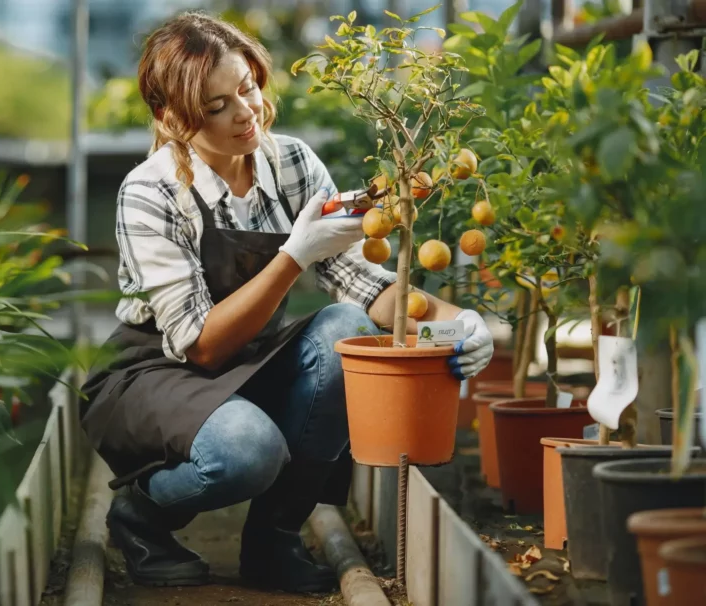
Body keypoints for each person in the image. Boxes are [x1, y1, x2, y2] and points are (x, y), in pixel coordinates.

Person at [79, 11, 494, 594]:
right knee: (248, 450)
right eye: (216, 106)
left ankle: (274, 541)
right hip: (156, 371)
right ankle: (142, 516)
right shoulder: (151, 193)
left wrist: (459, 324)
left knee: (344, 326)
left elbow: (363, 284)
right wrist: (295, 254)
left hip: (244, 360)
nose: (245, 113)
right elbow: (198, 345)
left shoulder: (293, 164)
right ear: (172, 118)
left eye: (246, 87)